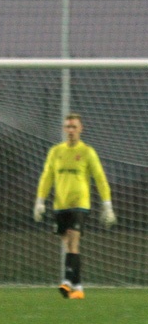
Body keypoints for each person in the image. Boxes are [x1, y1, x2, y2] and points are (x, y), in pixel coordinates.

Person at [33, 113, 115, 299]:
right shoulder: (55, 152)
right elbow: (47, 177)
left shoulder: (87, 152)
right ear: (64, 129)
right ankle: (78, 287)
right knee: (68, 245)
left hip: (80, 205)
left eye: (74, 127)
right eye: (68, 127)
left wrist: (107, 204)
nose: (71, 130)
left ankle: (67, 281)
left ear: (80, 129)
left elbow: (100, 179)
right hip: (60, 205)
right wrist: (40, 201)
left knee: (73, 240)